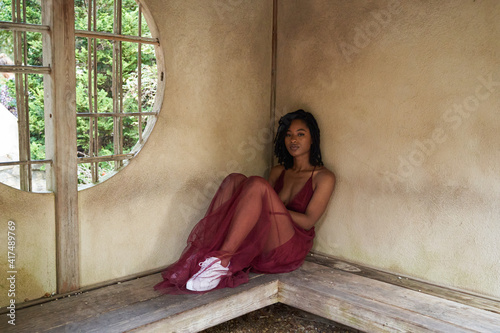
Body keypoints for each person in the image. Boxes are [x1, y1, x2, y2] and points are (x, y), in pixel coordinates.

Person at [154, 109, 335, 293]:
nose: (293, 140)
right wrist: (267, 207)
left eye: (300, 134)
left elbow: (308, 221)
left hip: (289, 248)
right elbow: (259, 211)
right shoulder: (278, 171)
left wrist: (272, 208)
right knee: (235, 179)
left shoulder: (323, 177)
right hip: (265, 241)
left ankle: (222, 261)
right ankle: (208, 254)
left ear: (313, 138)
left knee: (257, 184)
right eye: (288, 135)